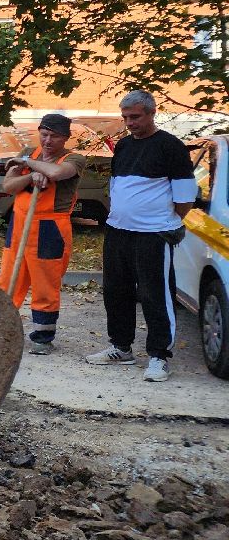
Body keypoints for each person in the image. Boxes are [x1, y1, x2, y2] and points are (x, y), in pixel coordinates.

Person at [85, 91, 196, 382]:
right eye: (125, 118)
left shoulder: (170, 146)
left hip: (153, 234)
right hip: (119, 230)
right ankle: (121, 347)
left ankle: (159, 356)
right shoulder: (123, 146)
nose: (130, 123)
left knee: (154, 293)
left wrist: (165, 222)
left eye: (135, 117)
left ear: (151, 113)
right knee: (116, 291)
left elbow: (184, 197)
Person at [0, 113, 86, 354]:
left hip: (50, 228)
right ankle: (0, 328)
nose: (47, 141)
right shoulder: (30, 152)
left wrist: (27, 163)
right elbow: (8, 186)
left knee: (45, 282)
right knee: (9, 277)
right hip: (19, 223)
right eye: (44, 134)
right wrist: (30, 173)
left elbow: (56, 173)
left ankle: (42, 337)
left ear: (65, 138)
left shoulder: (75, 159)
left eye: (54, 136)